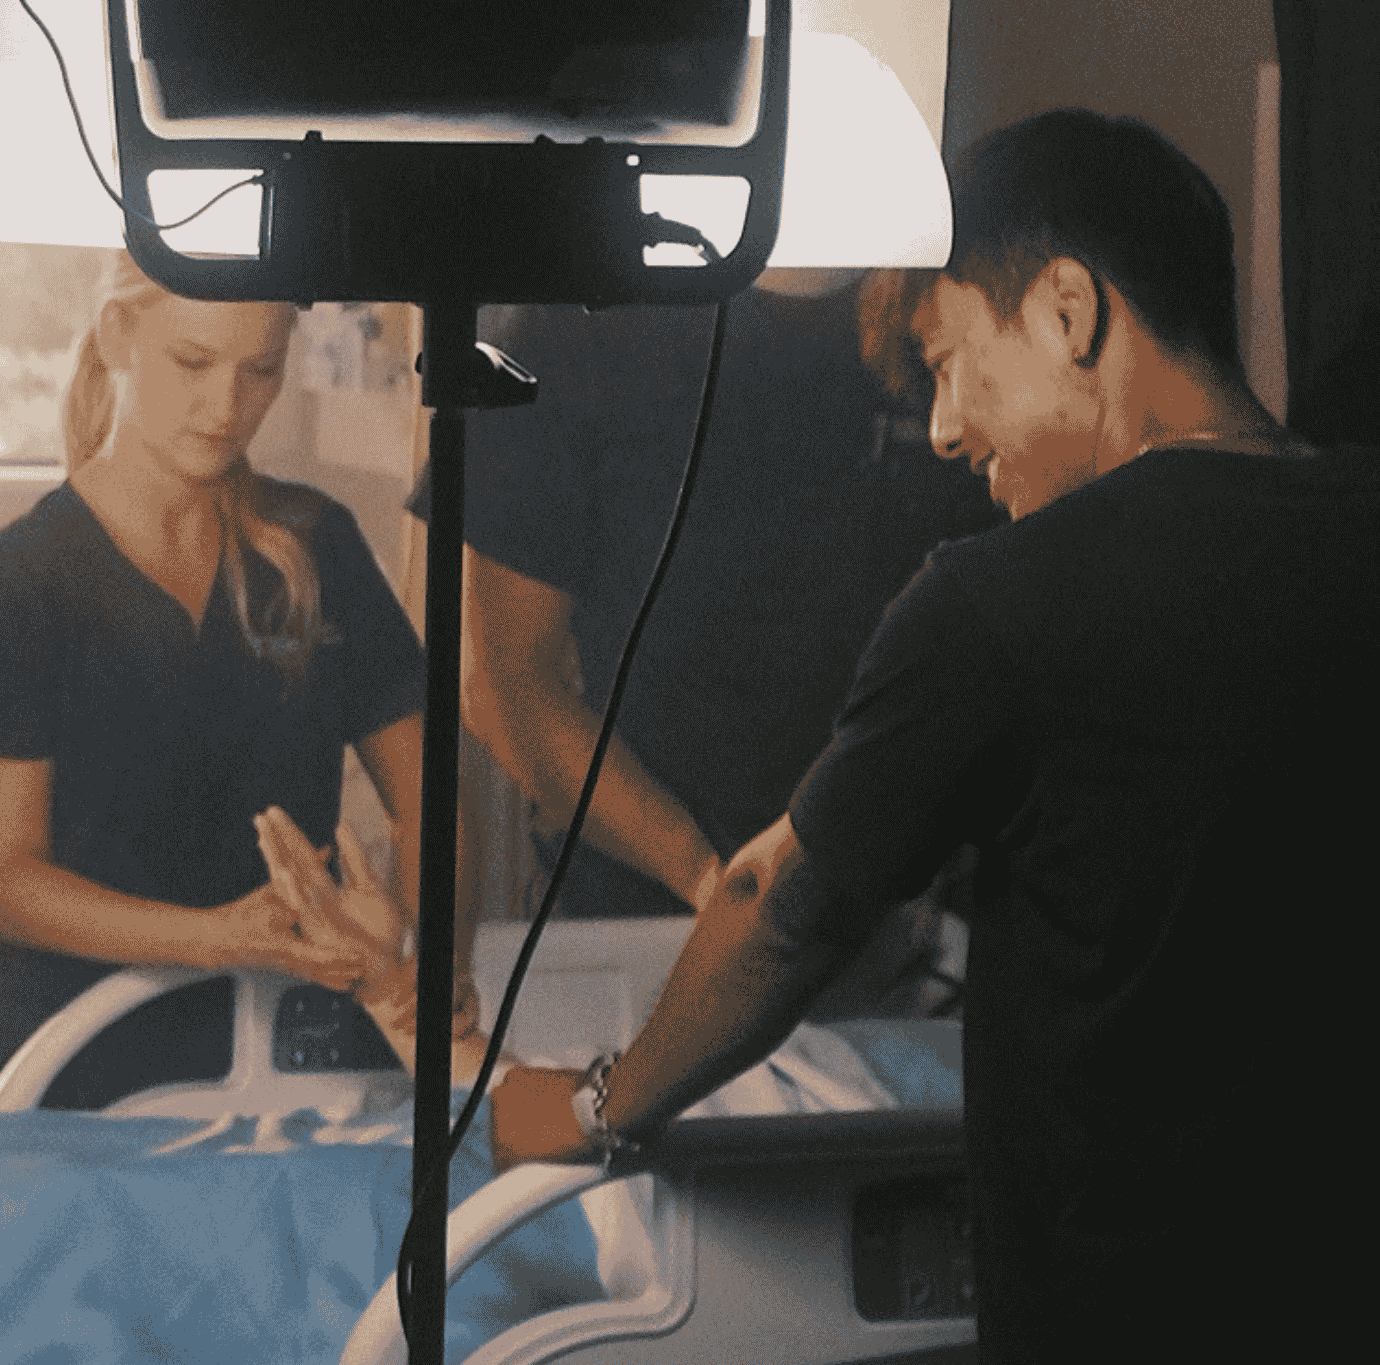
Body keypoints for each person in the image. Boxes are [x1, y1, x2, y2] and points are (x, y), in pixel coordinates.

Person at [490, 112, 1380, 1365]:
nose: (939, 428)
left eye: (950, 360)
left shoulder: (1003, 608)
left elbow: (773, 918)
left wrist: (592, 1107)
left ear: (1067, 310)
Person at [0, 256, 431, 1116]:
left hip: (292, 1065)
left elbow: (431, 797)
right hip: (73, 1070)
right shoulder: (26, 577)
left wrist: (423, 964)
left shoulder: (320, 547)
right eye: (192, 364)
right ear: (118, 336)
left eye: (260, 370)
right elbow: (2, 885)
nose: (226, 408)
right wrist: (218, 940)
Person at [410, 273, 998, 918]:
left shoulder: (949, 301)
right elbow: (507, 687)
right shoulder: (571, 328)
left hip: (917, 920)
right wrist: (714, 883)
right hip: (644, 915)